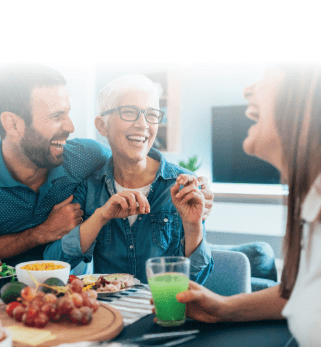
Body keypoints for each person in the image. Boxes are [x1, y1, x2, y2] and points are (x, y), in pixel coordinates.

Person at [0, 63, 215, 267]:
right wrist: (44, 232)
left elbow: (134, 153)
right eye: (56, 116)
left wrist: (193, 186)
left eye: (68, 113)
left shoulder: (87, 156)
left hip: (69, 285)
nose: (71, 127)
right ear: (13, 123)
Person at [164, 65, 321, 347]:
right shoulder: (314, 208)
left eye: (266, 74)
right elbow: (300, 293)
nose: (247, 90)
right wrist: (223, 307)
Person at [43, 74, 214, 284]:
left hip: (162, 312)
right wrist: (100, 216)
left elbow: (196, 280)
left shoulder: (182, 186)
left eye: (151, 114)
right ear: (102, 125)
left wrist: (193, 225)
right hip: (110, 312)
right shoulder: (89, 187)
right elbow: (53, 263)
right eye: (129, 112)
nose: (143, 124)